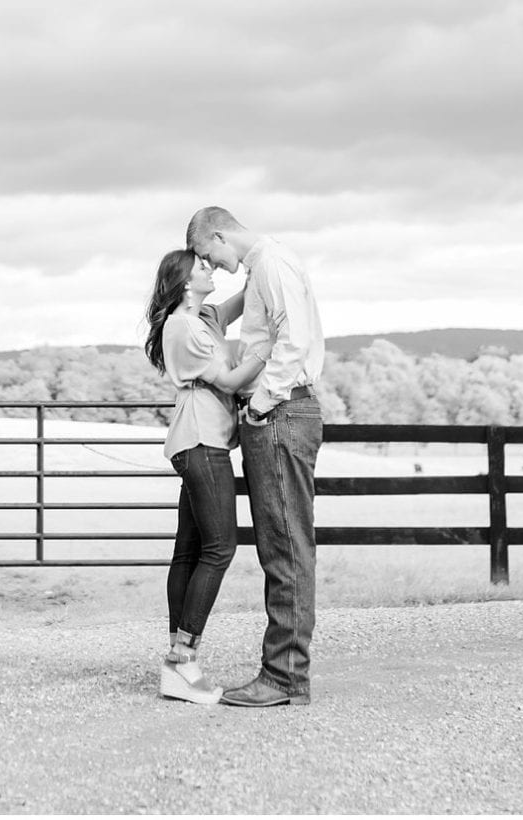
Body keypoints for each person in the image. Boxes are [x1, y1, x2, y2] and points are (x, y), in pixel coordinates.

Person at [186, 205, 325, 707]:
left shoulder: (270, 263)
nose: (214, 267)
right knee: (281, 544)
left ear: (220, 236)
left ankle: (284, 677)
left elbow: (293, 340)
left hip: (280, 412)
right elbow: (266, 318)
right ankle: (284, 672)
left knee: (285, 546)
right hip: (281, 413)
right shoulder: (267, 262)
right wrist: (224, 313)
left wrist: (261, 405)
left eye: (208, 254)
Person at [143, 247, 266, 705]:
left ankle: (178, 662)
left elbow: (247, 298)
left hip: (200, 440)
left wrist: (259, 264)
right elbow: (232, 382)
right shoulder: (183, 327)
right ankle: (182, 660)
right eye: (202, 266)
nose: (210, 268)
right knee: (220, 548)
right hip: (201, 442)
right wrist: (269, 348)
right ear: (182, 280)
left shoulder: (206, 318)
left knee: (190, 552)